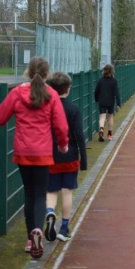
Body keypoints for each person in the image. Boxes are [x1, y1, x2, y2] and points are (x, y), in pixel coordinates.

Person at [0, 56, 69, 259]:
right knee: (40, 195)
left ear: (28, 71)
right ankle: (38, 230)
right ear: (47, 74)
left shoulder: (17, 92)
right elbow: (61, 125)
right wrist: (62, 144)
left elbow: (0, 119)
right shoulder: (51, 94)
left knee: (29, 193)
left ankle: (29, 238)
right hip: (43, 152)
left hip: (23, 151)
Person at [45, 72, 87, 242]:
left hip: (51, 155)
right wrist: (83, 159)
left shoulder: (47, 109)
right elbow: (78, 135)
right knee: (67, 191)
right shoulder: (73, 109)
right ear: (68, 89)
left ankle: (49, 213)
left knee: (51, 190)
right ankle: (63, 228)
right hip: (70, 156)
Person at [94, 64, 121, 141]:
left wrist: (96, 99)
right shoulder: (114, 81)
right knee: (110, 117)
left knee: (102, 116)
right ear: (112, 71)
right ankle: (109, 134)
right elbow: (117, 92)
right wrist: (118, 103)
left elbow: (96, 91)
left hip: (102, 100)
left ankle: (101, 129)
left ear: (104, 71)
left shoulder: (100, 80)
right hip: (110, 101)